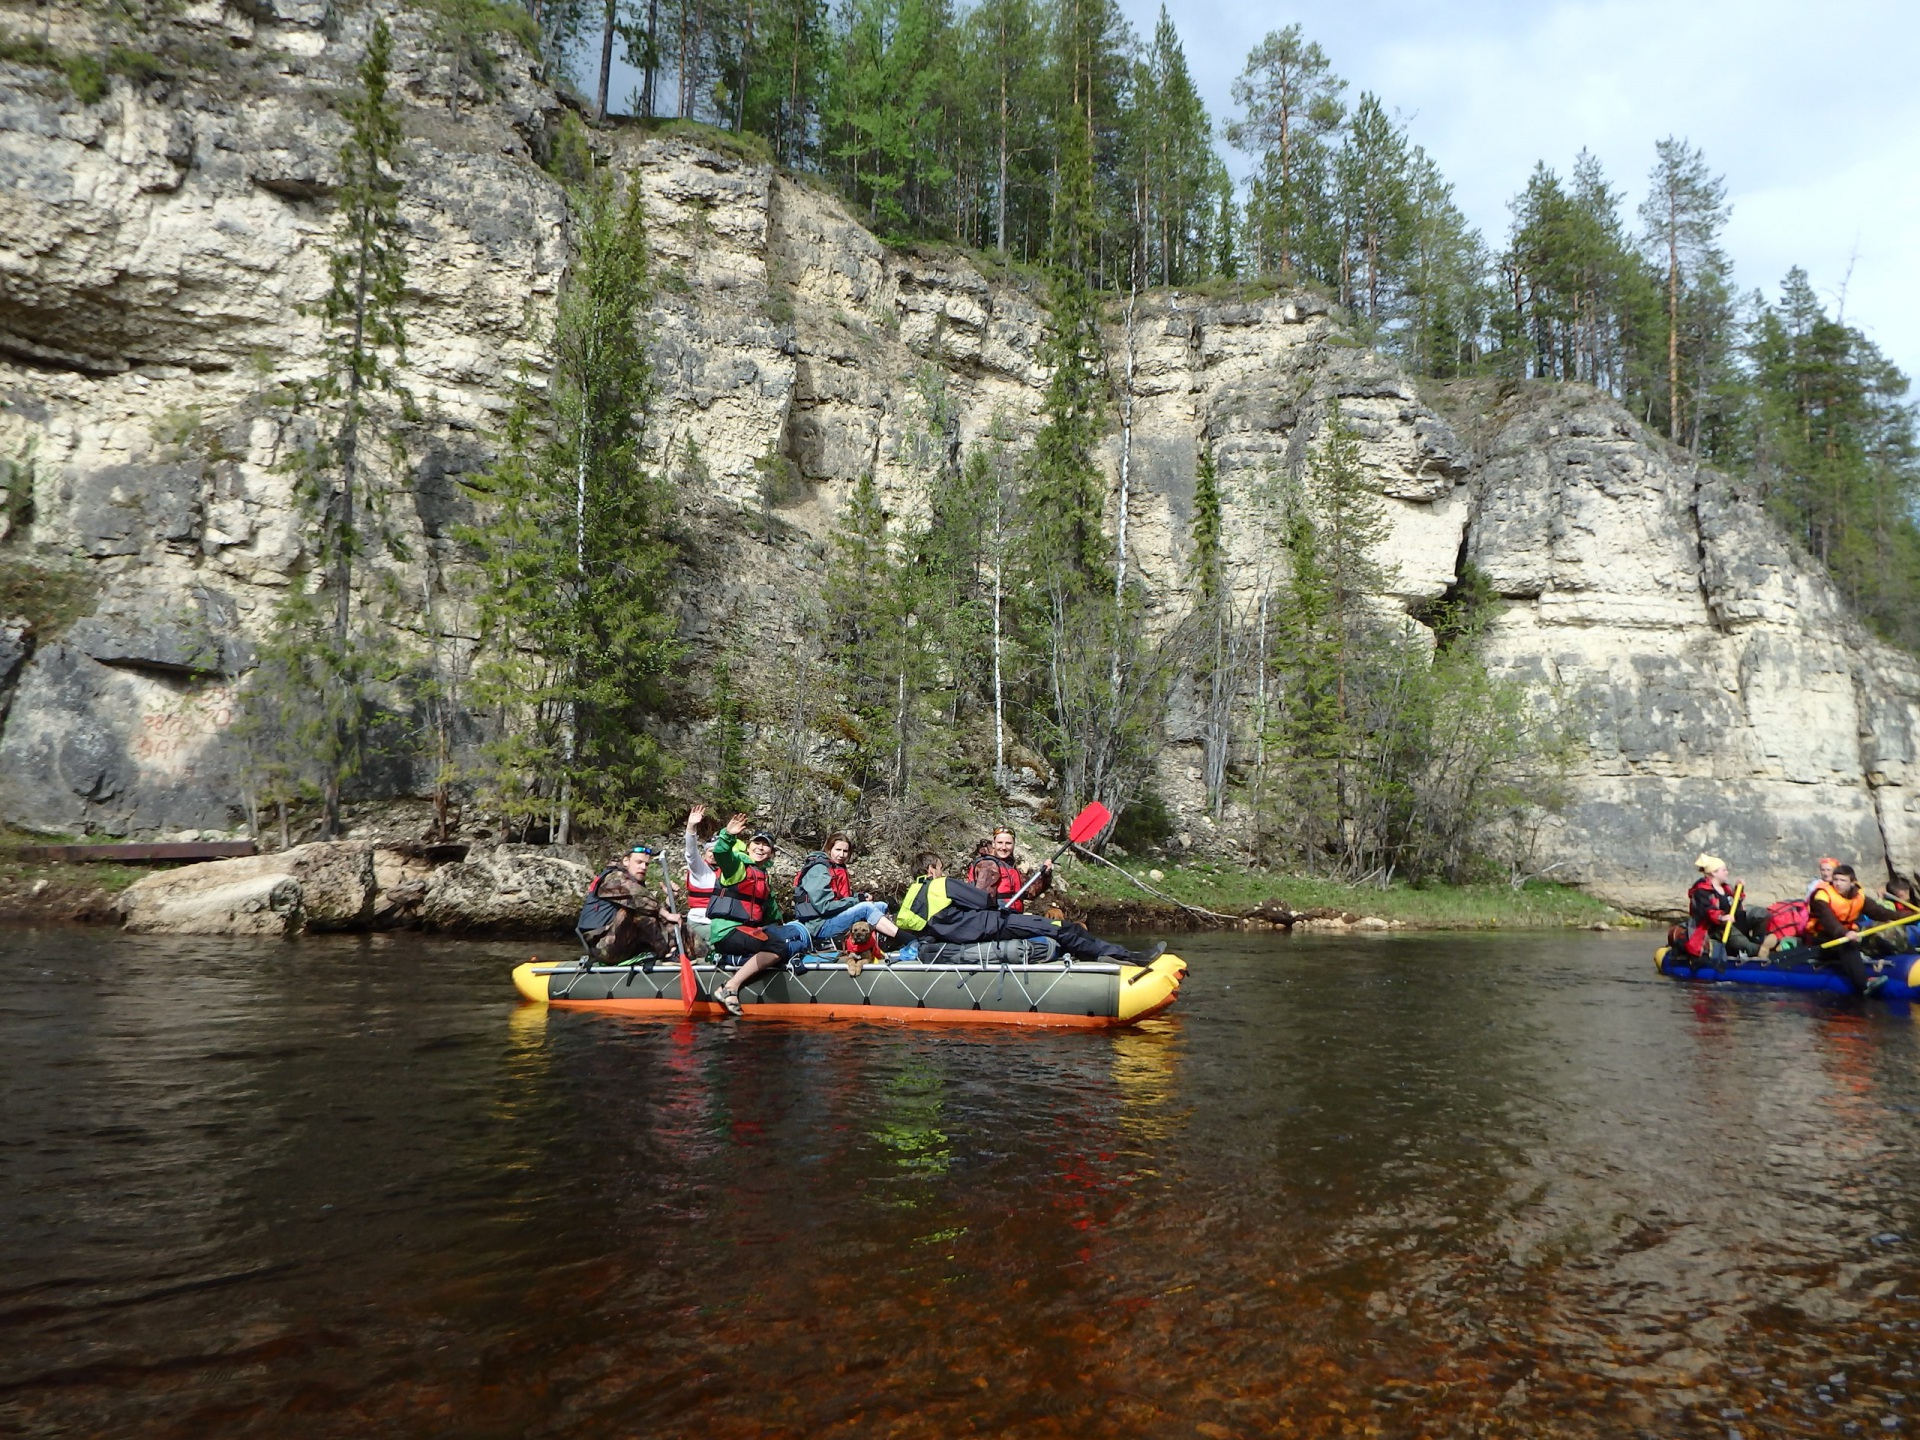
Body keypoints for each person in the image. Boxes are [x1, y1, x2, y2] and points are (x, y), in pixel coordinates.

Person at [898, 853, 1160, 965]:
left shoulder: (910, 898)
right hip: (992, 927)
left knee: (1054, 929)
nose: (942, 871)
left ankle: (1102, 956)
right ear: (932, 869)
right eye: (940, 867)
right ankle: (1127, 956)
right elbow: (983, 900)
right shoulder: (941, 885)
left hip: (971, 935)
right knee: (1062, 927)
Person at [708, 814, 812, 1016]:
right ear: (748, 847)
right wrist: (728, 835)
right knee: (776, 946)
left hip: (746, 931)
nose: (760, 848)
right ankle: (730, 987)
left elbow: (772, 912)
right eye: (757, 843)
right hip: (726, 931)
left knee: (784, 938)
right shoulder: (736, 867)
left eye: (766, 846)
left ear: (771, 854)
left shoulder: (763, 877)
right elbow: (721, 853)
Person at [793, 833, 903, 949]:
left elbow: (840, 898)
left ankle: (884, 942)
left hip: (833, 917)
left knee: (880, 905)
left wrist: (859, 896)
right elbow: (824, 907)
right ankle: (907, 939)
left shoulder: (836, 868)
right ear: (829, 850)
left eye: (845, 851)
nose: (841, 855)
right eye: (838, 850)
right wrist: (857, 900)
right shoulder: (819, 870)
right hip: (819, 926)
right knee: (866, 908)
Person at [1807, 863, 1902, 996]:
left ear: (1852, 883)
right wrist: (1845, 933)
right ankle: (1863, 985)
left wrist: (1912, 915)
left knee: (1881, 936)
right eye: (1835, 880)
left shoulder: (1859, 897)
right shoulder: (1821, 896)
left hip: (1846, 934)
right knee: (1846, 944)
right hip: (1822, 938)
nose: (1837, 884)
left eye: (1842, 880)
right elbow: (1829, 922)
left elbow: (1881, 913)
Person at [576, 845, 681, 964]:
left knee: (675, 922)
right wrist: (666, 913)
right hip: (603, 947)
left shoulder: (636, 884)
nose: (643, 867)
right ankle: (667, 953)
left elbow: (651, 910)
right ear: (626, 861)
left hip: (624, 941)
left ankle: (689, 952)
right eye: (639, 862)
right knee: (633, 912)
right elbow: (638, 899)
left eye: (646, 864)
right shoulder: (612, 878)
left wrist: (668, 902)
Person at [1681, 854, 1764, 960]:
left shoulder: (1726, 888)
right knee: (1737, 938)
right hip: (1712, 928)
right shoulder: (1701, 892)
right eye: (1723, 870)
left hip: (1730, 923)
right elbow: (1707, 911)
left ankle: (1760, 942)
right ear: (1714, 873)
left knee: (1760, 915)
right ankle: (1758, 951)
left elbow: (1735, 904)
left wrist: (1739, 890)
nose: (1727, 872)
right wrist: (1722, 917)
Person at [967, 826, 1049, 913]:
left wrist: (1046, 874)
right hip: (996, 919)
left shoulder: (1009, 866)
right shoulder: (988, 865)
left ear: (1014, 845)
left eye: (1008, 843)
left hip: (1011, 917)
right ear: (994, 844)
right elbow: (981, 902)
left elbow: (1030, 892)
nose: (1003, 847)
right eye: (1000, 842)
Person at [681, 804, 721, 924]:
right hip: (700, 921)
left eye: (717, 852)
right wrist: (691, 827)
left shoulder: (729, 871)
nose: (713, 854)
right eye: (710, 851)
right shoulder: (699, 869)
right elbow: (691, 852)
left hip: (721, 921)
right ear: (704, 853)